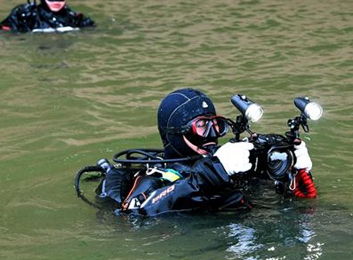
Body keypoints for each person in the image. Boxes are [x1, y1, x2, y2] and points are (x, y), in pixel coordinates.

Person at [95, 88, 315, 216]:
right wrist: (216, 170)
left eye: (216, 124)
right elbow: (137, 213)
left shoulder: (230, 162)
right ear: (175, 133)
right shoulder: (152, 177)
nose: (211, 134)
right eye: (201, 126)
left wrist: (291, 169)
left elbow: (289, 203)